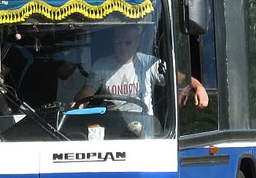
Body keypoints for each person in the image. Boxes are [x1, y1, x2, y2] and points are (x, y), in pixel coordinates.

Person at [73, 24, 209, 116]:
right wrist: (78, 103)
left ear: (137, 42)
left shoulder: (149, 63)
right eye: (118, 42)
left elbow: (180, 78)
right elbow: (87, 92)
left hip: (144, 128)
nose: (122, 47)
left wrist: (199, 87)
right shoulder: (101, 65)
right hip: (112, 126)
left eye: (128, 42)